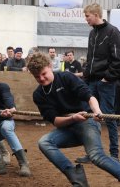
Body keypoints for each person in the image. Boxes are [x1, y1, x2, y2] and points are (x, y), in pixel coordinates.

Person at [27, 52, 120, 186]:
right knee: (44, 142)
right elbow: (55, 121)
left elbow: (89, 97)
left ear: (50, 66)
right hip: (68, 127)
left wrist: (97, 111)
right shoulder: (38, 95)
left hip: (87, 123)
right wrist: (73, 119)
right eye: (37, 76)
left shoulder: (66, 77)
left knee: (96, 156)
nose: (41, 78)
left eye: (44, 73)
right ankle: (77, 177)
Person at [76, 3, 120, 164]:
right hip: (91, 81)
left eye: (87, 16)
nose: (86, 19)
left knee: (109, 116)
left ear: (95, 14)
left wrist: (107, 78)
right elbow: (89, 58)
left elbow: (117, 60)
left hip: (106, 82)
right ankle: (92, 152)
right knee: (89, 117)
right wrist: (86, 76)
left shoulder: (113, 32)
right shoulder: (92, 34)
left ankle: (114, 154)